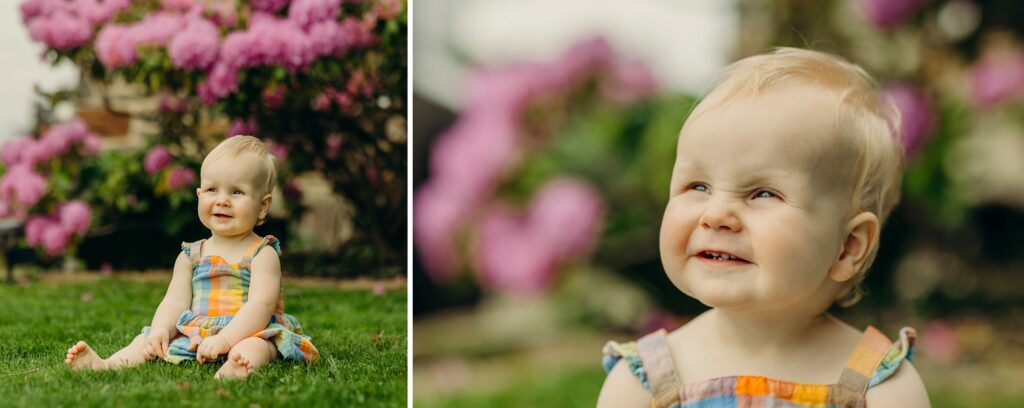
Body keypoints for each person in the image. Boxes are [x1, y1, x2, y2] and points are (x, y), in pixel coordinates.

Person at [597, 48, 930, 407]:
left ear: (848, 245)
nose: (716, 213)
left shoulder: (880, 388)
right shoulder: (643, 383)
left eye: (763, 193)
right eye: (698, 187)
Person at [65, 135, 318, 380]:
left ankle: (238, 365)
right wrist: (161, 329)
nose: (222, 201)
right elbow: (175, 300)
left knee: (258, 346)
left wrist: (226, 339)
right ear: (199, 196)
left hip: (248, 330)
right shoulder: (191, 255)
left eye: (237, 192)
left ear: (263, 206)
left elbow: (260, 307)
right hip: (199, 332)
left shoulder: (262, 253)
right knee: (144, 340)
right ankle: (105, 365)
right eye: (212, 190)